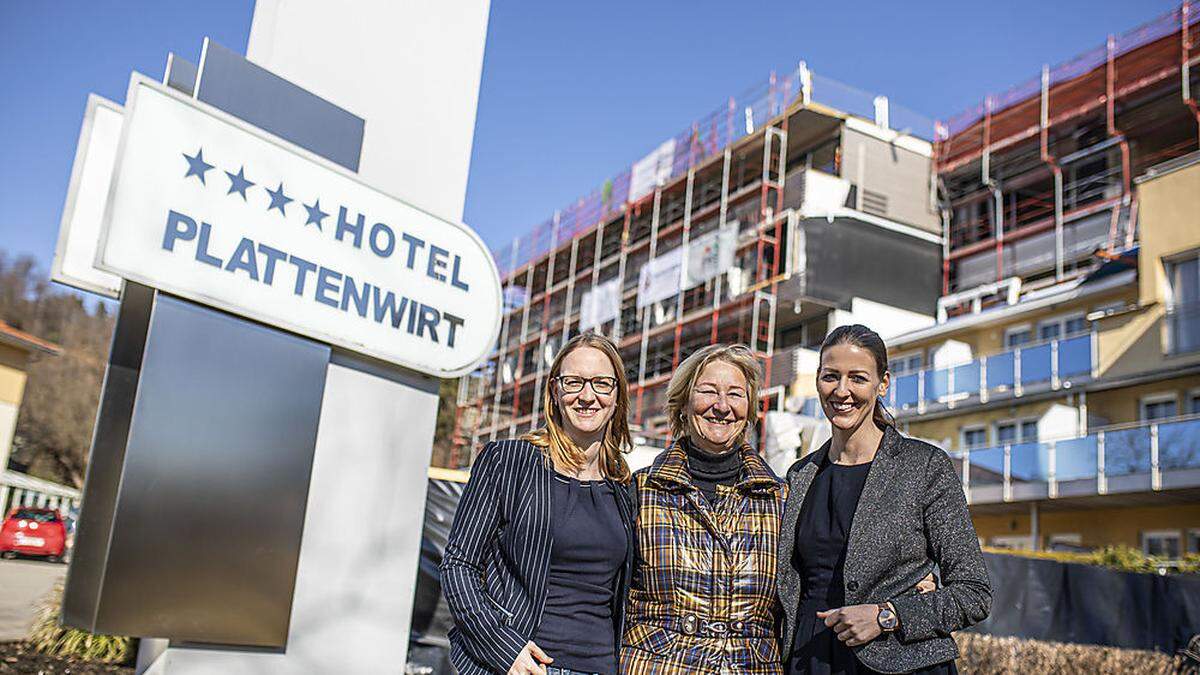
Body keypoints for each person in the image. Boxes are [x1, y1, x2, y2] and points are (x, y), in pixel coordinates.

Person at [778, 324, 992, 675]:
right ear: (817, 380)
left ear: (884, 383)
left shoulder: (924, 466)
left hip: (902, 663)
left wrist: (886, 615)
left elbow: (974, 593)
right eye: (831, 376)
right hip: (809, 659)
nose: (842, 391)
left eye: (858, 378)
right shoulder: (799, 476)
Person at [442, 332, 637, 675]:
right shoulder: (510, 462)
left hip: (601, 666)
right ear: (555, 392)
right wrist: (504, 649)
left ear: (617, 396)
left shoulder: (624, 489)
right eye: (574, 382)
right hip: (522, 665)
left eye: (602, 384)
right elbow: (459, 564)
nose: (587, 396)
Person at [621, 344, 786, 674]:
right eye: (708, 391)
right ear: (683, 404)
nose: (722, 406)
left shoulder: (780, 499)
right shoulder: (640, 490)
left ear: (750, 409)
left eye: (736, 395)